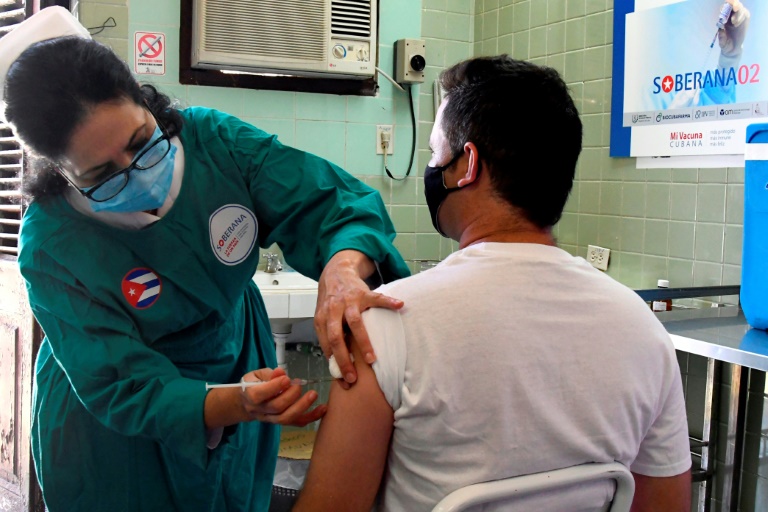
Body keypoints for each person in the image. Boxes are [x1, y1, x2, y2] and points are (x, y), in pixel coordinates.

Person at [0, 7, 409, 512]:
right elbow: (117, 382)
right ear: (60, 172)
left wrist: (344, 269)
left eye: (141, 141)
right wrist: (232, 401)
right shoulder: (52, 242)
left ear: (145, 99)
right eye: (102, 174)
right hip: (113, 428)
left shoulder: (216, 143)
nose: (138, 173)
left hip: (235, 350)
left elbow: (329, 202)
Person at [294, 56, 692, 511]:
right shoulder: (643, 332)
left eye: (432, 153)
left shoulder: (386, 325)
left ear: (466, 165)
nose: (430, 167)